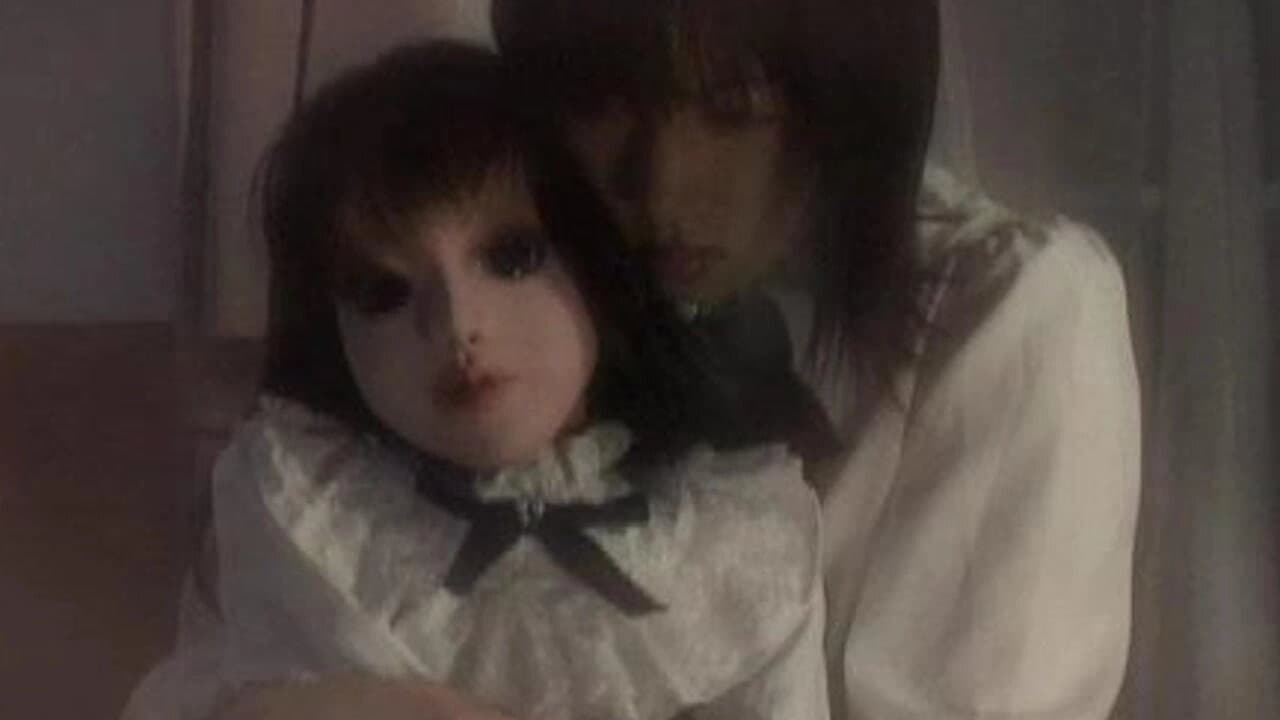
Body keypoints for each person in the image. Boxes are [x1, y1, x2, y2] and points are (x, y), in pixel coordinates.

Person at [122, 41, 827, 720]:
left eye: (512, 257)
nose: (458, 326)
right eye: (382, 292)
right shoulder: (303, 511)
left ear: (595, 264)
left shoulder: (736, 539)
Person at [491, 1, 1143, 719]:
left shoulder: (1016, 303)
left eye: (734, 110)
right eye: (603, 106)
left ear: (844, 95)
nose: (661, 187)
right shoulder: (534, 292)